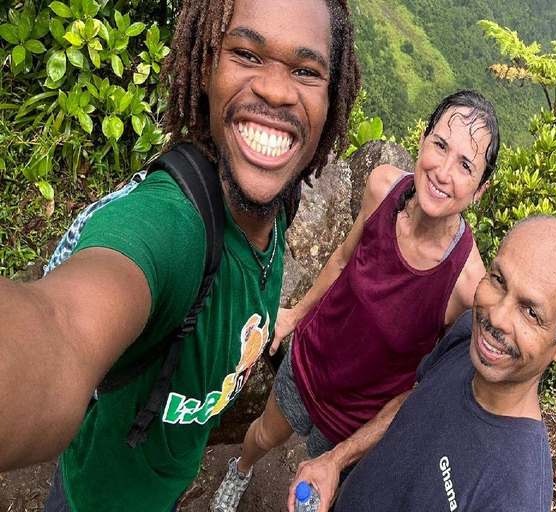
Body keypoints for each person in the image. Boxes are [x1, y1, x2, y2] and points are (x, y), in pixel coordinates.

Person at [0, 0, 361, 511]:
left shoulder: (278, 198)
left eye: (306, 70)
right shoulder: (171, 228)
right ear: (206, 68)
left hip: (165, 488)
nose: (278, 90)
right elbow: (61, 326)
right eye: (246, 53)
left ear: (332, 98)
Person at [209, 90, 500, 511]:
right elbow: (345, 257)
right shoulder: (384, 186)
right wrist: (294, 314)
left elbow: (427, 381)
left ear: (480, 189)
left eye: (466, 165)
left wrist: (343, 455)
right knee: (262, 436)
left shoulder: (466, 285)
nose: (443, 171)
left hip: (358, 416)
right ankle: (240, 469)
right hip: (311, 359)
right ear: (422, 141)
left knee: (311, 496)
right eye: (440, 145)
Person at [287, 215, 556, 512]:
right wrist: (336, 460)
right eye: (499, 280)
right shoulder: (468, 337)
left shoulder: (515, 494)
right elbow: (414, 402)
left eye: (531, 312)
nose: (496, 317)